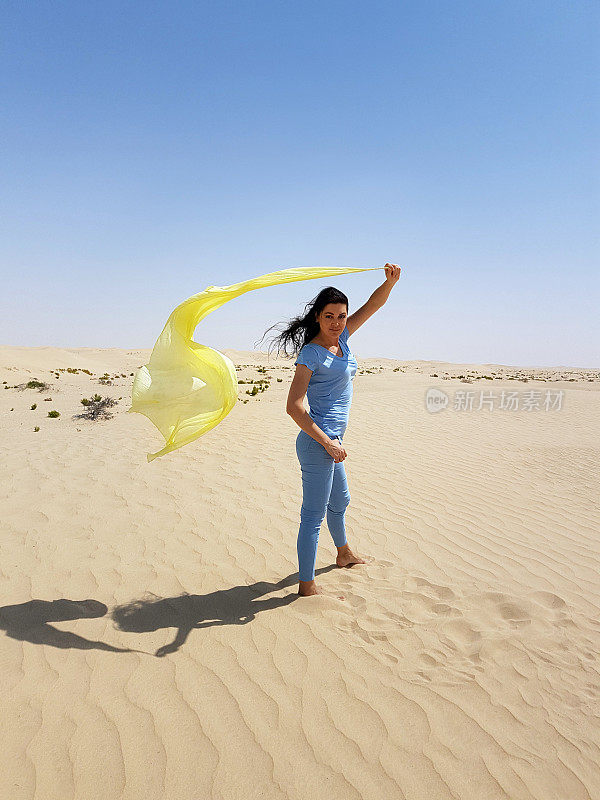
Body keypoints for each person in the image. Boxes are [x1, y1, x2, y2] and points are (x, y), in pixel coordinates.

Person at [261, 263, 401, 597]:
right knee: (312, 516)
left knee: (341, 501)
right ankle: (306, 586)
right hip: (317, 443)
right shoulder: (311, 353)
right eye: (329, 316)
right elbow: (293, 406)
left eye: (341, 316)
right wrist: (328, 444)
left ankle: (343, 553)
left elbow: (374, 305)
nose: (337, 323)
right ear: (317, 318)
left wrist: (390, 283)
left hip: (331, 444)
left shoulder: (345, 338)